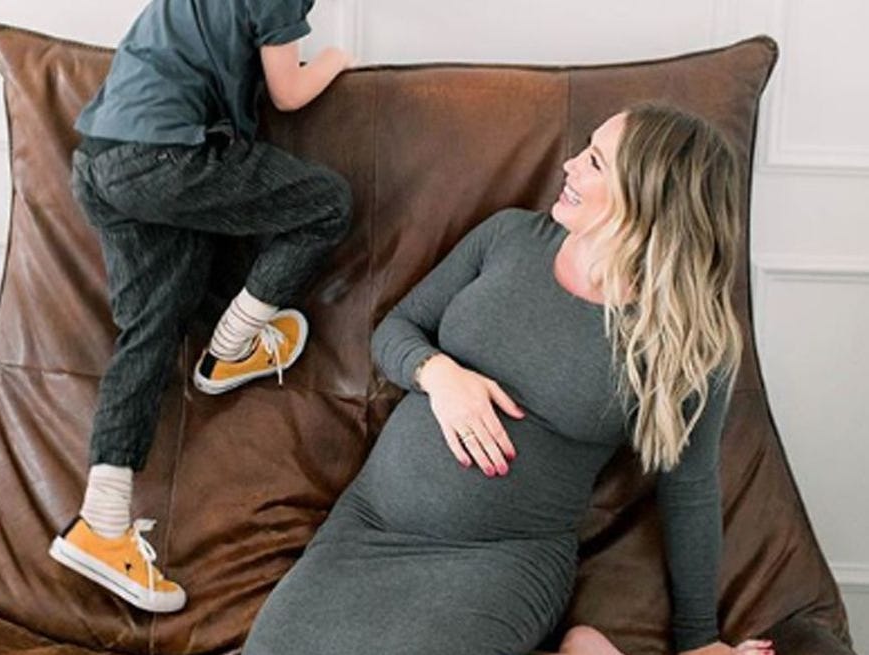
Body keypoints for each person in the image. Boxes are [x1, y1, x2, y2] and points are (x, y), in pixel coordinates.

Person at [240, 104, 773, 655]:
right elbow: (396, 330)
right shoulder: (509, 238)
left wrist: (699, 640)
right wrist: (438, 374)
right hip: (369, 528)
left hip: (498, 560)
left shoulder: (686, 345)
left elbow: (690, 490)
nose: (568, 165)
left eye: (593, 161)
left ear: (647, 198)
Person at [48, 0, 354, 613]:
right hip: (167, 156)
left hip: (101, 159)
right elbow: (289, 92)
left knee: (152, 326)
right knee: (329, 203)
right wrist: (336, 59)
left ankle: (101, 523)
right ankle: (231, 344)